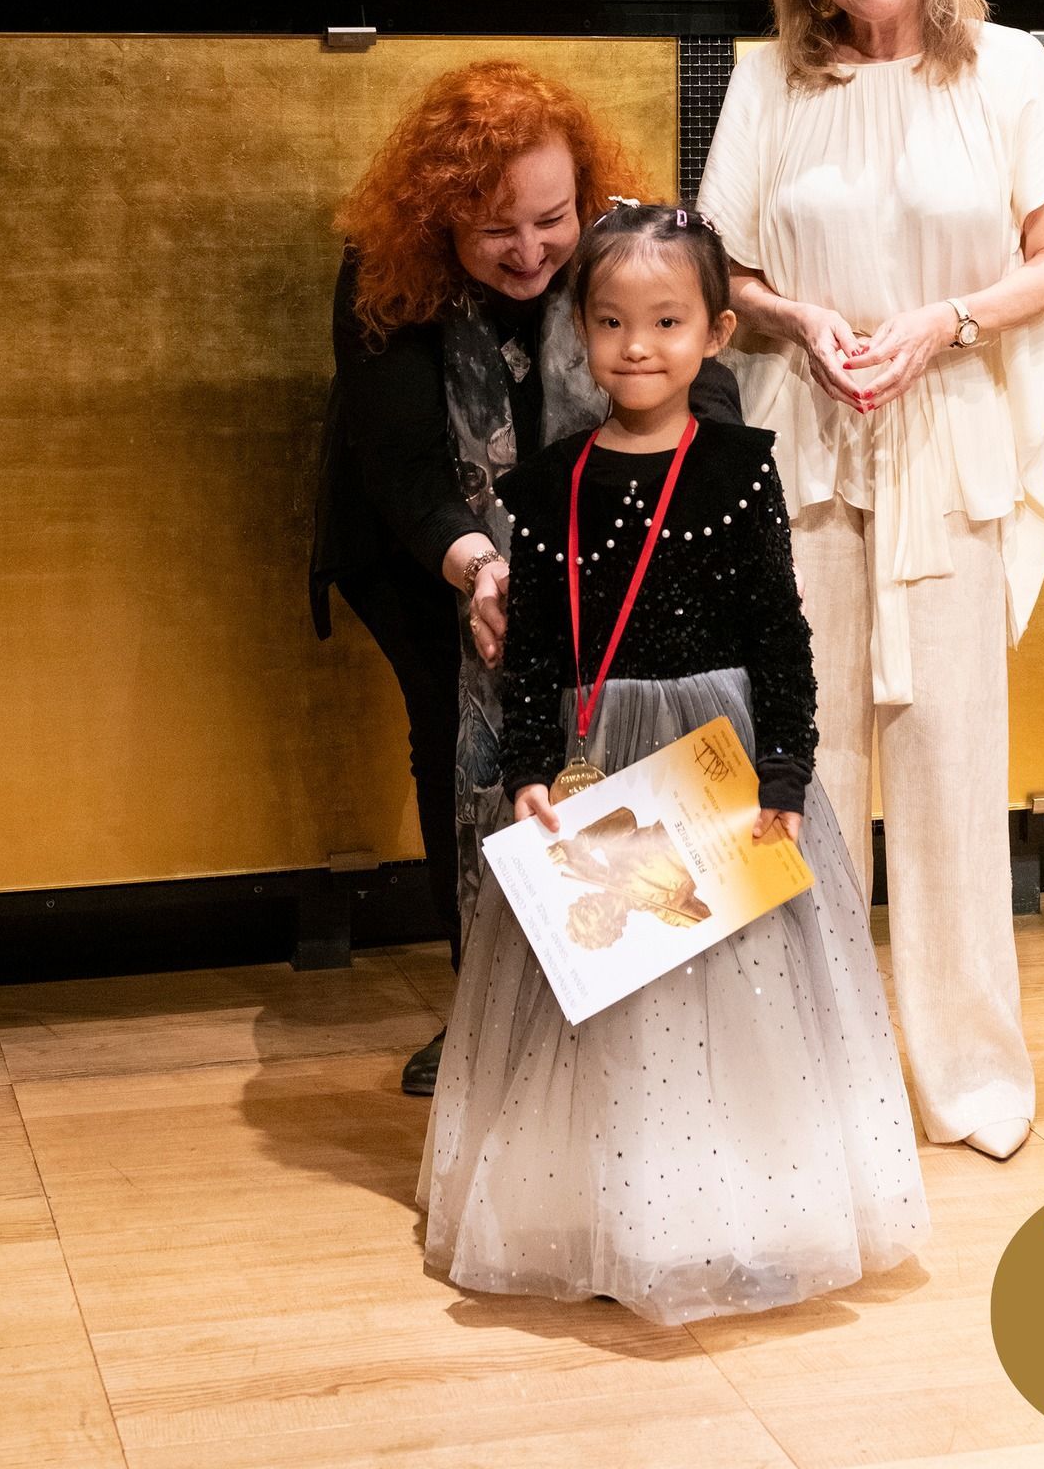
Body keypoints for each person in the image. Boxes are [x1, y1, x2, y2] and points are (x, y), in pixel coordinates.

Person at [418, 203, 929, 1325]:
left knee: (738, 988)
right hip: (598, 758)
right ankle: (610, 1216)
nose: (636, 346)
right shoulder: (549, 483)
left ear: (717, 332)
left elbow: (779, 632)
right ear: (580, 330)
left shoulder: (739, 468)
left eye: (665, 321)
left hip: (718, 763)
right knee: (603, 995)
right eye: (609, 321)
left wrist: (784, 770)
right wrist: (529, 763)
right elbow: (535, 643)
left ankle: (745, 1215)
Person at [697, 0, 1044, 1164]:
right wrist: (800, 321)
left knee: (949, 769)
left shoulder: (1006, 69)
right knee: (802, 763)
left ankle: (969, 1078)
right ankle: (809, 1081)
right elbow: (724, 270)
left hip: (950, 443)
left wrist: (946, 319)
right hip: (808, 438)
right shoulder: (771, 81)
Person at [310, 61, 741, 1095]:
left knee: (611, 748)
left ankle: (615, 986)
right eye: (495, 229)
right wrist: (484, 572)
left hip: (605, 548)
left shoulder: (628, 244)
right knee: (463, 752)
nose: (531, 249)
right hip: (429, 560)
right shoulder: (384, 268)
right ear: (440, 217)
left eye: (551, 219)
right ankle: (487, 1006)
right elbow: (404, 470)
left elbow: (705, 385)